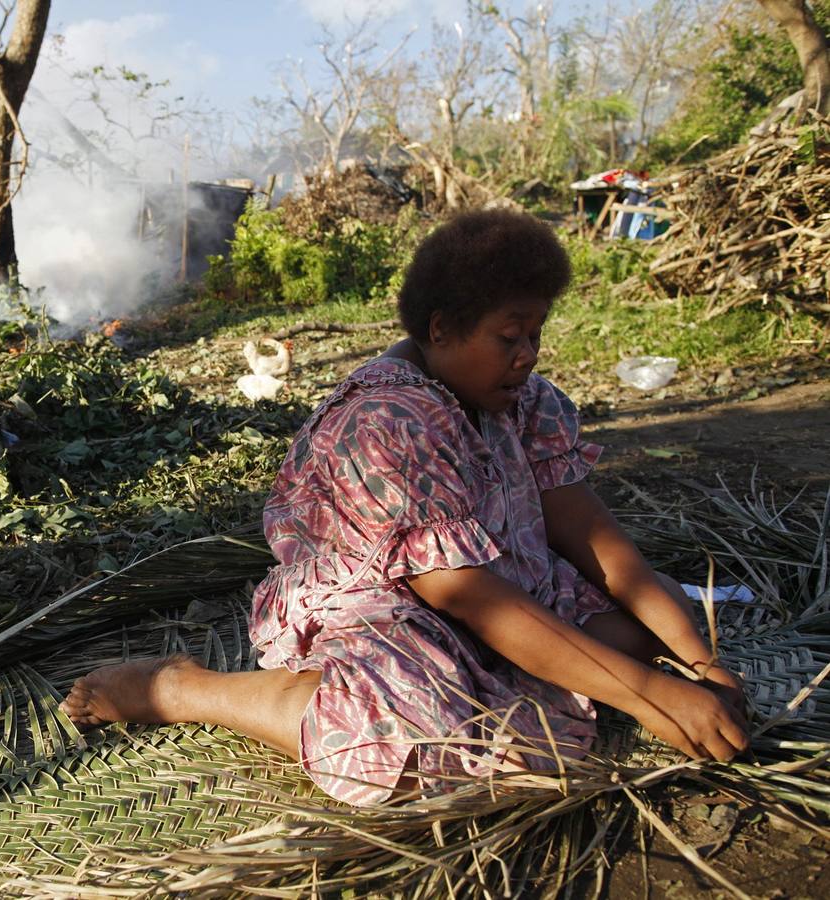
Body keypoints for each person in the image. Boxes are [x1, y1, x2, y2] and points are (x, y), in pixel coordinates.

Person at [61, 210, 749, 806]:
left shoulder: (525, 401)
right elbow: (464, 595)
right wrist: (645, 694)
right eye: (508, 338)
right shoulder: (386, 423)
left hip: (511, 582)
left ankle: (581, 668)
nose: (527, 356)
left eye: (535, 335)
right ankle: (182, 690)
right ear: (441, 329)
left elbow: (589, 533)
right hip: (389, 609)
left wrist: (697, 663)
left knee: (652, 612)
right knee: (412, 735)